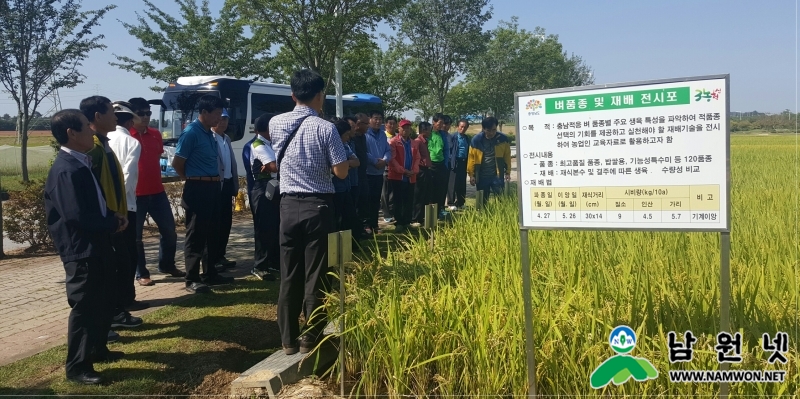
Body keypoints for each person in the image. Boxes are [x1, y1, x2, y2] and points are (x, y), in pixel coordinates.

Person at [269, 69, 349, 355]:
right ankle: (310, 337)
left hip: (288, 205)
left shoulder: (276, 123)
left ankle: (288, 340)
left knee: (289, 273)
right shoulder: (326, 128)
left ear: (292, 95)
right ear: (320, 96)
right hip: (318, 205)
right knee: (316, 273)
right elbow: (340, 172)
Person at [45, 109, 126, 385]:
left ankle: (97, 349)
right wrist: (111, 225)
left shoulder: (82, 162)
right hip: (81, 248)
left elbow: (94, 205)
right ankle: (77, 366)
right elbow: (75, 215)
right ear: (71, 133)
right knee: (85, 305)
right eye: (86, 127)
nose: (92, 131)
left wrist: (112, 217)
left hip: (98, 244)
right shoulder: (65, 169)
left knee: (103, 299)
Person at [81, 96, 139, 341]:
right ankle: (108, 318)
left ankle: (114, 312)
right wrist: (109, 217)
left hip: (116, 218)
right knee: (109, 271)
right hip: (105, 224)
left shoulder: (104, 144)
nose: (116, 118)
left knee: (121, 265)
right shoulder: (92, 149)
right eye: (111, 113)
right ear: (97, 117)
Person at [171, 95, 234, 293]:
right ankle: (192, 278)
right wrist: (191, 179)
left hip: (214, 187)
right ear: (204, 113)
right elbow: (177, 163)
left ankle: (210, 273)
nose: (219, 118)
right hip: (197, 189)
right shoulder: (191, 133)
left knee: (213, 232)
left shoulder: (209, 133)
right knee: (196, 234)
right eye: (216, 114)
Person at [128, 98, 185, 289]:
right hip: (135, 195)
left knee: (169, 231)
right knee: (135, 237)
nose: (145, 117)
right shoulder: (126, 136)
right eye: (140, 113)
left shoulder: (155, 134)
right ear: (131, 114)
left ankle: (167, 265)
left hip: (157, 192)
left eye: (148, 113)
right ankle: (141, 273)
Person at [106, 101, 147, 327]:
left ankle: (118, 301)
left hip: (106, 208)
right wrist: (122, 206)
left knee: (116, 256)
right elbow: (128, 176)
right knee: (128, 255)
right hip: (126, 206)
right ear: (130, 121)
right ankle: (126, 299)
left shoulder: (101, 140)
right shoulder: (131, 141)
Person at [248, 113, 279, 281]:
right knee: (263, 230)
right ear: (268, 128)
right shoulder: (259, 145)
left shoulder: (271, 144)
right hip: (262, 191)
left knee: (275, 228)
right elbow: (274, 166)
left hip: (274, 189)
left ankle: (272, 262)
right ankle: (259, 266)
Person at [210, 109, 239, 272]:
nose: (222, 122)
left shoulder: (226, 138)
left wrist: (235, 184)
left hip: (227, 185)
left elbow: (232, 164)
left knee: (226, 223)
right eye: (220, 119)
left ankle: (221, 255)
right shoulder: (211, 138)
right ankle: (212, 258)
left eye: (225, 120)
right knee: (215, 224)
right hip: (215, 185)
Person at [467, 116, 512, 205]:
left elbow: (507, 156)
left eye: (494, 130)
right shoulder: (476, 140)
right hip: (482, 176)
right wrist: (471, 175)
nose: (491, 133)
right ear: (483, 129)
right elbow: (471, 158)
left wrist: (508, 172)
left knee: (501, 199)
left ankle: (500, 216)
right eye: (488, 130)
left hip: (497, 176)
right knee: (482, 201)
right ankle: (482, 217)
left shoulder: (503, 139)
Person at [330, 118, 361, 239]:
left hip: (346, 187)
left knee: (349, 218)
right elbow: (334, 169)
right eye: (346, 135)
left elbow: (357, 161)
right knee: (336, 220)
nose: (348, 137)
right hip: (334, 189)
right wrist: (347, 164)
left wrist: (344, 164)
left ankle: (349, 245)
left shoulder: (346, 145)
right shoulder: (331, 147)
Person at [387, 119, 420, 233]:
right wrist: (403, 170)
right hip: (397, 176)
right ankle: (399, 222)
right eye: (404, 128)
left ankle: (407, 221)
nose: (406, 130)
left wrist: (414, 170)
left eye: (408, 128)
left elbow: (417, 158)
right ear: (399, 129)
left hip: (411, 176)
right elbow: (392, 159)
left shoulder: (414, 143)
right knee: (398, 200)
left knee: (409, 199)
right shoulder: (393, 142)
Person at [364, 111, 391, 234]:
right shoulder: (365, 134)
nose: (378, 121)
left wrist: (384, 160)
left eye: (380, 119)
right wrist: (375, 161)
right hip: (368, 172)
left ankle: (375, 225)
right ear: (370, 119)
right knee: (367, 200)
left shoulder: (383, 135)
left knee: (376, 200)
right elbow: (364, 152)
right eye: (375, 118)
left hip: (379, 173)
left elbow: (388, 150)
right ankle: (367, 225)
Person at [350, 113, 371, 235]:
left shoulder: (363, 137)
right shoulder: (352, 139)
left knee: (364, 200)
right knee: (356, 203)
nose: (368, 126)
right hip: (354, 176)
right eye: (366, 123)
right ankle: (357, 229)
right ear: (358, 124)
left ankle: (364, 226)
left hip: (363, 174)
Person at [412, 122, 433, 225]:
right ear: (424, 130)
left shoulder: (425, 141)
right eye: (429, 129)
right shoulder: (417, 142)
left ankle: (421, 217)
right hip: (420, 171)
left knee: (425, 194)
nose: (431, 131)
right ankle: (415, 218)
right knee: (418, 195)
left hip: (426, 170)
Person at [447, 119, 470, 211]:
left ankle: (460, 202)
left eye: (465, 127)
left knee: (462, 183)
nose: (463, 128)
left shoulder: (466, 138)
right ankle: (451, 203)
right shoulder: (453, 137)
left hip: (463, 162)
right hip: (455, 162)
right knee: (452, 183)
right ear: (458, 127)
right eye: (461, 126)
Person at [380, 116, 397, 223]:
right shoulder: (383, 136)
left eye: (394, 123)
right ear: (385, 124)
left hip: (395, 169)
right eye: (389, 123)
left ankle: (392, 211)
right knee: (384, 192)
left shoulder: (397, 136)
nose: (392, 125)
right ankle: (386, 213)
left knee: (392, 192)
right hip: (385, 167)